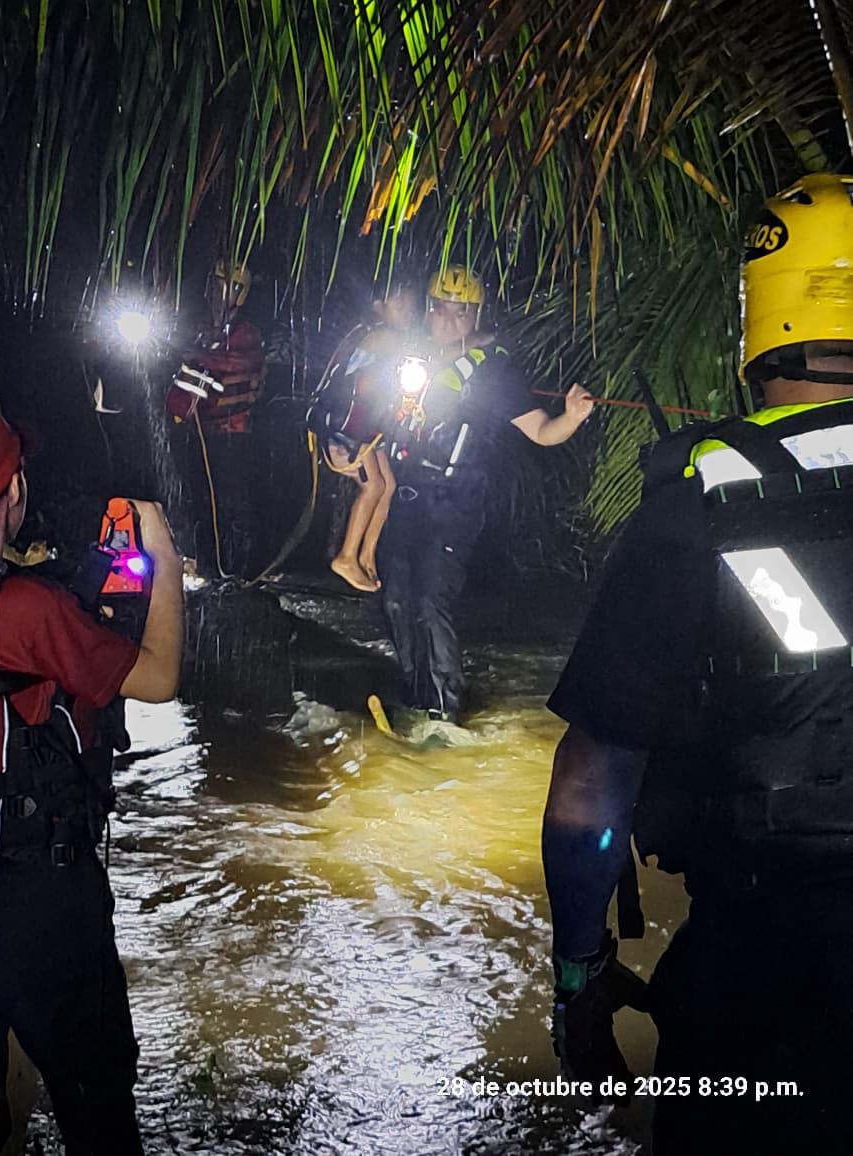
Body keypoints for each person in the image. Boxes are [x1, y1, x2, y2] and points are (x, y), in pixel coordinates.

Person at [542, 172, 853, 1155]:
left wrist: (579, 974)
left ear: (757, 322)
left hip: (762, 960)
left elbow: (591, 785)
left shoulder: (698, 504)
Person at [0, 412, 184, 1154]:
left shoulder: (29, 600)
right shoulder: (25, 608)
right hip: (36, 899)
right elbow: (158, 677)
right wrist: (161, 554)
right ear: (12, 492)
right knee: (96, 1104)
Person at [379, 264, 594, 723]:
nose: (449, 319)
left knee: (430, 600)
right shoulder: (413, 356)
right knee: (395, 596)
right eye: (440, 309)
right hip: (406, 492)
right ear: (428, 310)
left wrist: (572, 417)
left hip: (457, 498)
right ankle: (412, 691)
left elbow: (542, 431)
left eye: (461, 311)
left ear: (476, 314)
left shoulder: (493, 371)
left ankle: (445, 709)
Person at [309, 284, 421, 592]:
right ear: (378, 306)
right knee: (373, 487)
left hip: (366, 426)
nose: (407, 313)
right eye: (399, 305)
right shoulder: (382, 336)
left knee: (388, 486)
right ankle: (346, 557)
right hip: (348, 426)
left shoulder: (367, 332)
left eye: (410, 307)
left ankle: (366, 555)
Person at [166, 259, 266, 578]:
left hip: (233, 432)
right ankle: (207, 563)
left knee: (233, 502)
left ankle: (240, 570)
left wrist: (195, 355)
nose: (220, 292)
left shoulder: (245, 333)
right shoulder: (203, 329)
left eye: (230, 286)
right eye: (218, 283)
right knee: (202, 500)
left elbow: (236, 363)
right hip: (202, 432)